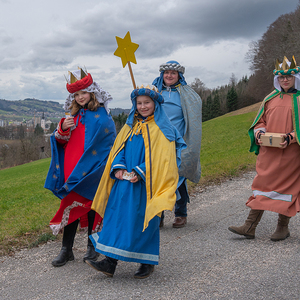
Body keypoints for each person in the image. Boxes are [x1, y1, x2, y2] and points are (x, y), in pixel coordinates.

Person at [85, 85, 186, 279]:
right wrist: (120, 168)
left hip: (146, 184)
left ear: (155, 103)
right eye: (139, 103)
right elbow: (118, 149)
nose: (143, 106)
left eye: (147, 102)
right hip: (123, 182)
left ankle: (146, 262)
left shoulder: (162, 128)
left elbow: (163, 159)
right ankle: (110, 261)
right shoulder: (129, 126)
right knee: (117, 218)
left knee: (143, 220)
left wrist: (141, 172)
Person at [44, 68, 116, 266]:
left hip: (94, 169)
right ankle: (66, 250)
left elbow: (108, 143)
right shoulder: (72, 116)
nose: (80, 97)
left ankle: (93, 247)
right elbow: (61, 140)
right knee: (70, 204)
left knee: (92, 206)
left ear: (92, 92)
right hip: (72, 169)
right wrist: (63, 128)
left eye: (83, 92)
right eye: (76, 94)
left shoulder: (102, 116)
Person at [228, 56, 300, 241]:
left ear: (295, 77)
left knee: (287, 189)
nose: (285, 80)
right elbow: (260, 121)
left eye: (289, 76)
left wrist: (290, 138)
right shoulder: (270, 98)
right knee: (262, 185)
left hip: (291, 153)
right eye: (282, 77)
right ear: (277, 78)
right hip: (269, 152)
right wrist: (260, 133)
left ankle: (282, 227)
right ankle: (249, 227)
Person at [152, 60, 202, 228]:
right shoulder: (155, 91)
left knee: (178, 177)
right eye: (166, 73)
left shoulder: (186, 94)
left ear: (179, 75)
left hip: (178, 142)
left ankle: (181, 213)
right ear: (162, 74)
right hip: (157, 142)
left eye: (173, 73)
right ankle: (158, 213)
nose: (169, 75)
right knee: (157, 178)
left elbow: (194, 114)